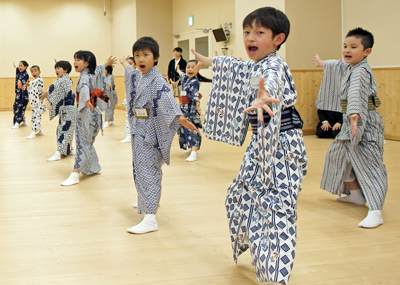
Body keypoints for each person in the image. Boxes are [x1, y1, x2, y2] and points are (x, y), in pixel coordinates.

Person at [193, 7, 307, 285]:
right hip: (261, 144)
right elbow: (235, 65)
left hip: (283, 146)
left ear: (278, 39)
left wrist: (264, 96)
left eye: (259, 32)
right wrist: (210, 61)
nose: (249, 38)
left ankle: (276, 276)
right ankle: (261, 253)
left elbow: (272, 82)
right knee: (240, 195)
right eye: (246, 32)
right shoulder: (255, 65)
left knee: (277, 208)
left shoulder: (273, 66)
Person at [120, 37, 198, 234]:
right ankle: (146, 200)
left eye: (145, 55)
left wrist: (180, 118)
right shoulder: (139, 76)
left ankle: (150, 217)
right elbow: (130, 73)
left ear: (156, 58)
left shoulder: (157, 80)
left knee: (149, 170)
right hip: (139, 129)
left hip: (151, 132)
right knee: (140, 167)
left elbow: (167, 100)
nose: (140, 59)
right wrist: (123, 63)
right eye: (137, 55)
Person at [312, 28, 387, 228]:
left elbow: (355, 93)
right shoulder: (350, 67)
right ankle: (355, 195)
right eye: (345, 46)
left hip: (364, 121)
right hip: (350, 121)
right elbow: (337, 65)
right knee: (339, 158)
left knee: (370, 165)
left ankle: (376, 211)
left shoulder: (361, 71)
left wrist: (354, 113)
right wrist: (323, 63)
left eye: (353, 47)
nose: (347, 50)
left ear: (366, 52)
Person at [61, 51, 116, 186]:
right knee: (86, 142)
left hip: (87, 114)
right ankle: (94, 168)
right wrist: (106, 63)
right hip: (90, 113)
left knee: (83, 143)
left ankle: (75, 173)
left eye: (78, 59)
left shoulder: (85, 77)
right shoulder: (91, 73)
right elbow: (98, 69)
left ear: (86, 64)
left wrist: (86, 100)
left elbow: (85, 88)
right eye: (74, 59)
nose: (75, 62)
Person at [40, 60, 77, 161]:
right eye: (55, 68)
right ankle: (69, 149)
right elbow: (56, 85)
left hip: (68, 110)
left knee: (63, 130)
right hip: (69, 109)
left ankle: (59, 152)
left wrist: (46, 94)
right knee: (68, 130)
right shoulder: (66, 79)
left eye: (59, 68)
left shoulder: (62, 80)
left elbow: (53, 86)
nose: (56, 70)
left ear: (66, 70)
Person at [176, 60, 211, 162]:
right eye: (188, 67)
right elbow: (182, 75)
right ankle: (192, 148)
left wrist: (198, 106)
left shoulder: (194, 82)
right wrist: (178, 70)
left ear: (198, 69)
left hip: (191, 109)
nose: (190, 69)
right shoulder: (186, 79)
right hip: (184, 108)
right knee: (185, 128)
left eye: (193, 67)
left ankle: (194, 152)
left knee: (192, 128)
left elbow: (195, 95)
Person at [26, 65, 46, 139]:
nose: (33, 72)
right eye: (31, 71)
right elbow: (30, 87)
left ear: (39, 72)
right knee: (34, 117)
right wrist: (28, 85)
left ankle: (34, 132)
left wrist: (28, 84)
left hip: (40, 102)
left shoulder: (39, 80)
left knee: (37, 117)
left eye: (35, 71)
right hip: (34, 102)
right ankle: (40, 130)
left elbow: (33, 83)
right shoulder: (33, 80)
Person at [120, 57, 136, 143]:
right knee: (128, 117)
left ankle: (131, 135)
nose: (128, 65)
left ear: (135, 65)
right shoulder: (128, 74)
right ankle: (129, 134)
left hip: (134, 100)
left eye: (131, 64)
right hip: (129, 97)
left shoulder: (136, 75)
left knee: (132, 117)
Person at [11, 61, 30, 129]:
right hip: (18, 93)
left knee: (20, 108)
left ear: (25, 67)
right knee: (15, 107)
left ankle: (17, 123)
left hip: (23, 94)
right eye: (19, 65)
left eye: (21, 66)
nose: (19, 67)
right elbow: (17, 69)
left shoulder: (25, 75)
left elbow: (24, 85)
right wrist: (16, 66)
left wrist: (24, 95)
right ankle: (24, 120)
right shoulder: (19, 72)